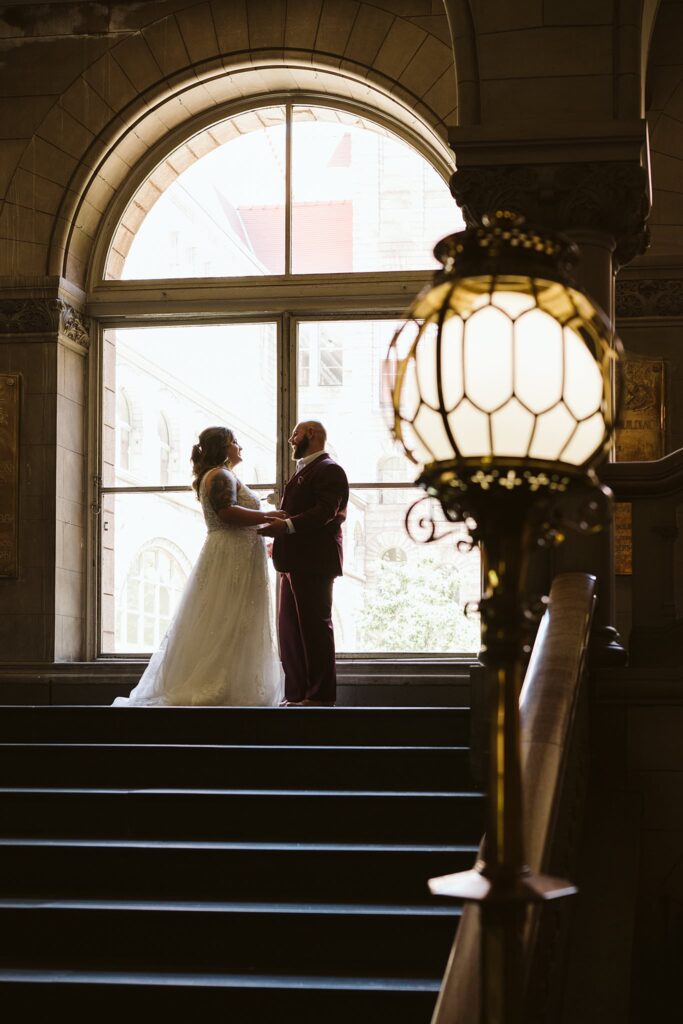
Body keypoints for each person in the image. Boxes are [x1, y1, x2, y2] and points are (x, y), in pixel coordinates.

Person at [113, 426, 285, 707]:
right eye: (234, 441)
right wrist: (266, 517)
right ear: (223, 446)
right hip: (231, 554)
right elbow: (226, 512)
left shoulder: (222, 475)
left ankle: (231, 681)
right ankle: (219, 683)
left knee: (235, 618)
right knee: (228, 616)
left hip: (236, 551)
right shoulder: (220, 475)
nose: (239, 446)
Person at [258, 421, 349, 707]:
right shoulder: (306, 470)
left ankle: (319, 696)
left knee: (314, 629)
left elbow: (325, 512)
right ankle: (297, 694)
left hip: (314, 562)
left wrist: (285, 527)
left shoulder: (329, 469)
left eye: (295, 433)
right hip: (294, 561)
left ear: (311, 434)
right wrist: (281, 539)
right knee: (291, 630)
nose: (290, 439)